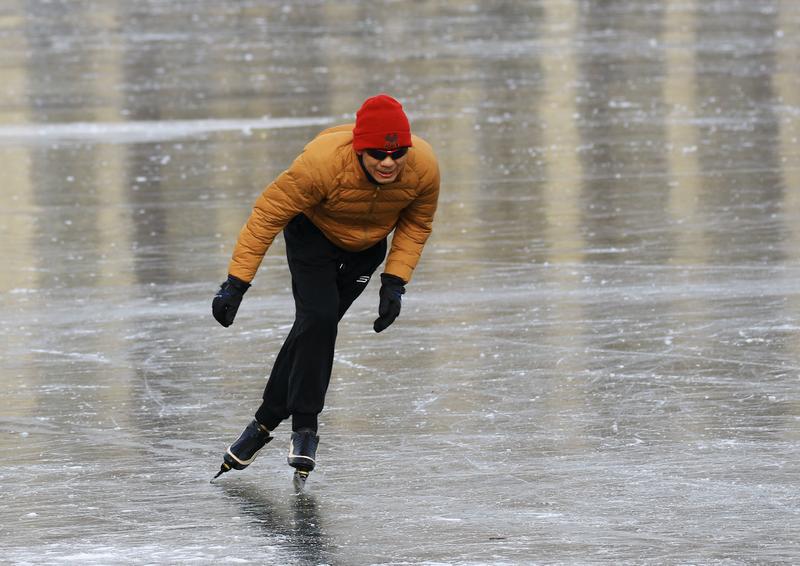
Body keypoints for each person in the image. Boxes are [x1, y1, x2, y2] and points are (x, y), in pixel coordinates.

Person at [211, 94, 440, 481]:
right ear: (358, 148)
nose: (389, 163)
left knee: (314, 329)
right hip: (312, 238)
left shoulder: (424, 167)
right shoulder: (321, 164)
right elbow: (267, 215)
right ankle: (305, 428)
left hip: (365, 250)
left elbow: (417, 224)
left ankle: (261, 426)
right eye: (377, 154)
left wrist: (394, 282)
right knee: (318, 320)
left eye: (397, 153)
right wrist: (236, 283)